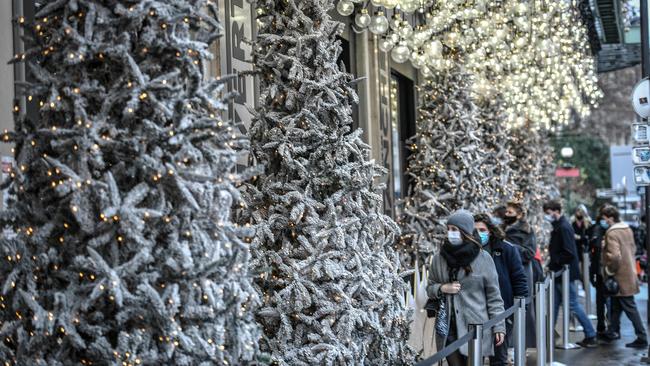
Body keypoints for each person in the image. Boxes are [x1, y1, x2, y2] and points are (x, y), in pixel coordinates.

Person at [427, 210, 506, 366]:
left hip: (475, 327)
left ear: (465, 232)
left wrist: (499, 326)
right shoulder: (438, 258)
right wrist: (442, 288)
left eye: (454, 229)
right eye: (448, 229)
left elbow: (494, 296)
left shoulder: (484, 259)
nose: (451, 233)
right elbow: (430, 287)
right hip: (448, 327)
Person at [475, 214, 529, 366]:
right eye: (475, 230)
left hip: (502, 311)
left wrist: (520, 306)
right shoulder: (467, 251)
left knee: (499, 358)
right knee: (474, 355)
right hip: (475, 312)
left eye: (482, 229)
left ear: (490, 231)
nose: (478, 233)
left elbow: (519, 278)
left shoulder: (507, 250)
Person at [543, 199, 597, 348]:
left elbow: (569, 252)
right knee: (555, 304)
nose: (547, 216)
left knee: (572, 304)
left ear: (556, 211)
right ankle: (548, 336)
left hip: (563, 273)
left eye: (548, 213)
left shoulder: (563, 227)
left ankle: (590, 334)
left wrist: (555, 262)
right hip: (560, 272)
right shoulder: (561, 226)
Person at [600, 206, 648, 348]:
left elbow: (614, 256)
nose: (604, 221)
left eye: (605, 218)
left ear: (610, 217)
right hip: (629, 271)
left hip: (619, 275)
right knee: (616, 305)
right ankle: (613, 330)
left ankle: (642, 336)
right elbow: (632, 248)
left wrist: (609, 269)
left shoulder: (612, 233)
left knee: (629, 306)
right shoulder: (627, 229)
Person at [588, 212, 611, 339]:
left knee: (606, 300)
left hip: (605, 271)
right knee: (602, 300)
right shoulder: (597, 230)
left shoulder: (612, 230)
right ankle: (602, 326)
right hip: (600, 271)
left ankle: (608, 326)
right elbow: (593, 250)